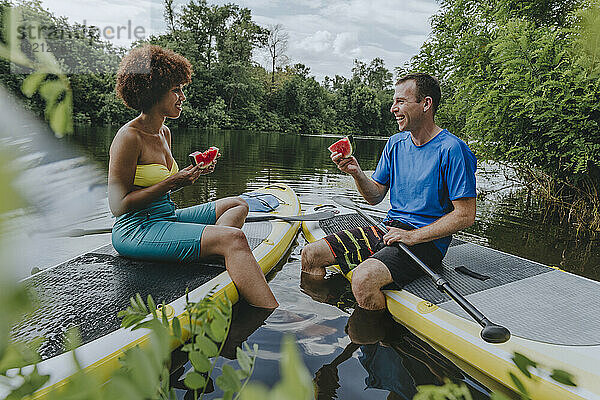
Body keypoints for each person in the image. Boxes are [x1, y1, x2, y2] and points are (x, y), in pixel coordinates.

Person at [108, 44, 277, 309]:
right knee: (235, 239)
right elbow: (117, 206)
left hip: (167, 217)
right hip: (136, 230)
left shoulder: (165, 133)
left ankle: (213, 248)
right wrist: (173, 182)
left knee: (238, 204)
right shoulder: (128, 137)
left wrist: (189, 175)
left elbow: (161, 189)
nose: (182, 96)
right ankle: (274, 314)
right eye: (176, 89)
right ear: (153, 91)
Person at [301, 72, 476, 311]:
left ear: (426, 104)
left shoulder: (453, 149)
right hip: (388, 229)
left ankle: (381, 338)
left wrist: (412, 237)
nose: (393, 108)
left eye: (401, 101)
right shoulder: (395, 144)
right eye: (394, 101)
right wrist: (356, 172)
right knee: (311, 254)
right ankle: (328, 315)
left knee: (363, 280)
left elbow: (465, 215)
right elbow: (374, 197)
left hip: (426, 242)